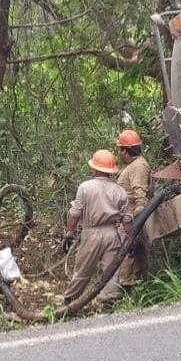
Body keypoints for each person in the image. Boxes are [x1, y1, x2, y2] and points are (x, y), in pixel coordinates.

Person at [61, 149, 131, 304]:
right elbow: (127, 222)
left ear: (94, 168)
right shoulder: (119, 191)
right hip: (112, 235)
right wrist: (129, 241)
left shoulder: (85, 188)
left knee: (83, 270)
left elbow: (75, 214)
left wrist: (68, 233)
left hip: (91, 234)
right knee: (111, 271)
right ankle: (109, 300)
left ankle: (69, 302)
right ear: (111, 170)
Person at [97, 129, 152, 303]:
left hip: (131, 221)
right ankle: (128, 295)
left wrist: (134, 220)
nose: (120, 153)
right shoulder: (133, 166)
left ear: (126, 151)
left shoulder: (138, 166)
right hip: (125, 220)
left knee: (125, 256)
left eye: (121, 149)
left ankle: (126, 297)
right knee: (125, 257)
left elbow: (139, 194)